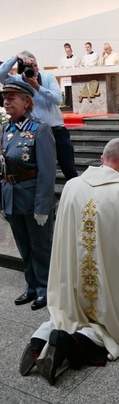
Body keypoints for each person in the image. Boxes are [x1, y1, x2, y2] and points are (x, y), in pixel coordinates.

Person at [19, 137, 119, 385]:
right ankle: (72, 343)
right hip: (109, 281)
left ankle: (38, 341)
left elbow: (63, 237)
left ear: (101, 159)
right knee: (114, 327)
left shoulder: (72, 186)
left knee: (65, 315)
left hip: (73, 279)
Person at [0, 79, 56, 310]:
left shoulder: (39, 129)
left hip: (33, 198)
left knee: (40, 247)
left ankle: (45, 289)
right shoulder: (6, 129)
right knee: (24, 245)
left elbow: (47, 171)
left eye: (12, 97)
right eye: (5, 97)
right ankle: (31, 286)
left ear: (26, 102)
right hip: (11, 196)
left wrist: (43, 207)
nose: (6, 100)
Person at [0, 51, 78, 180]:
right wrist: (15, 58)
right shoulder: (17, 81)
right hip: (34, 133)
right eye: (30, 66)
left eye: (35, 65)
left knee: (69, 170)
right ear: (21, 69)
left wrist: (37, 87)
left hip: (57, 131)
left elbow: (58, 99)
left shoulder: (47, 77)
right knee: (42, 170)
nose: (34, 69)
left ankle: (75, 198)